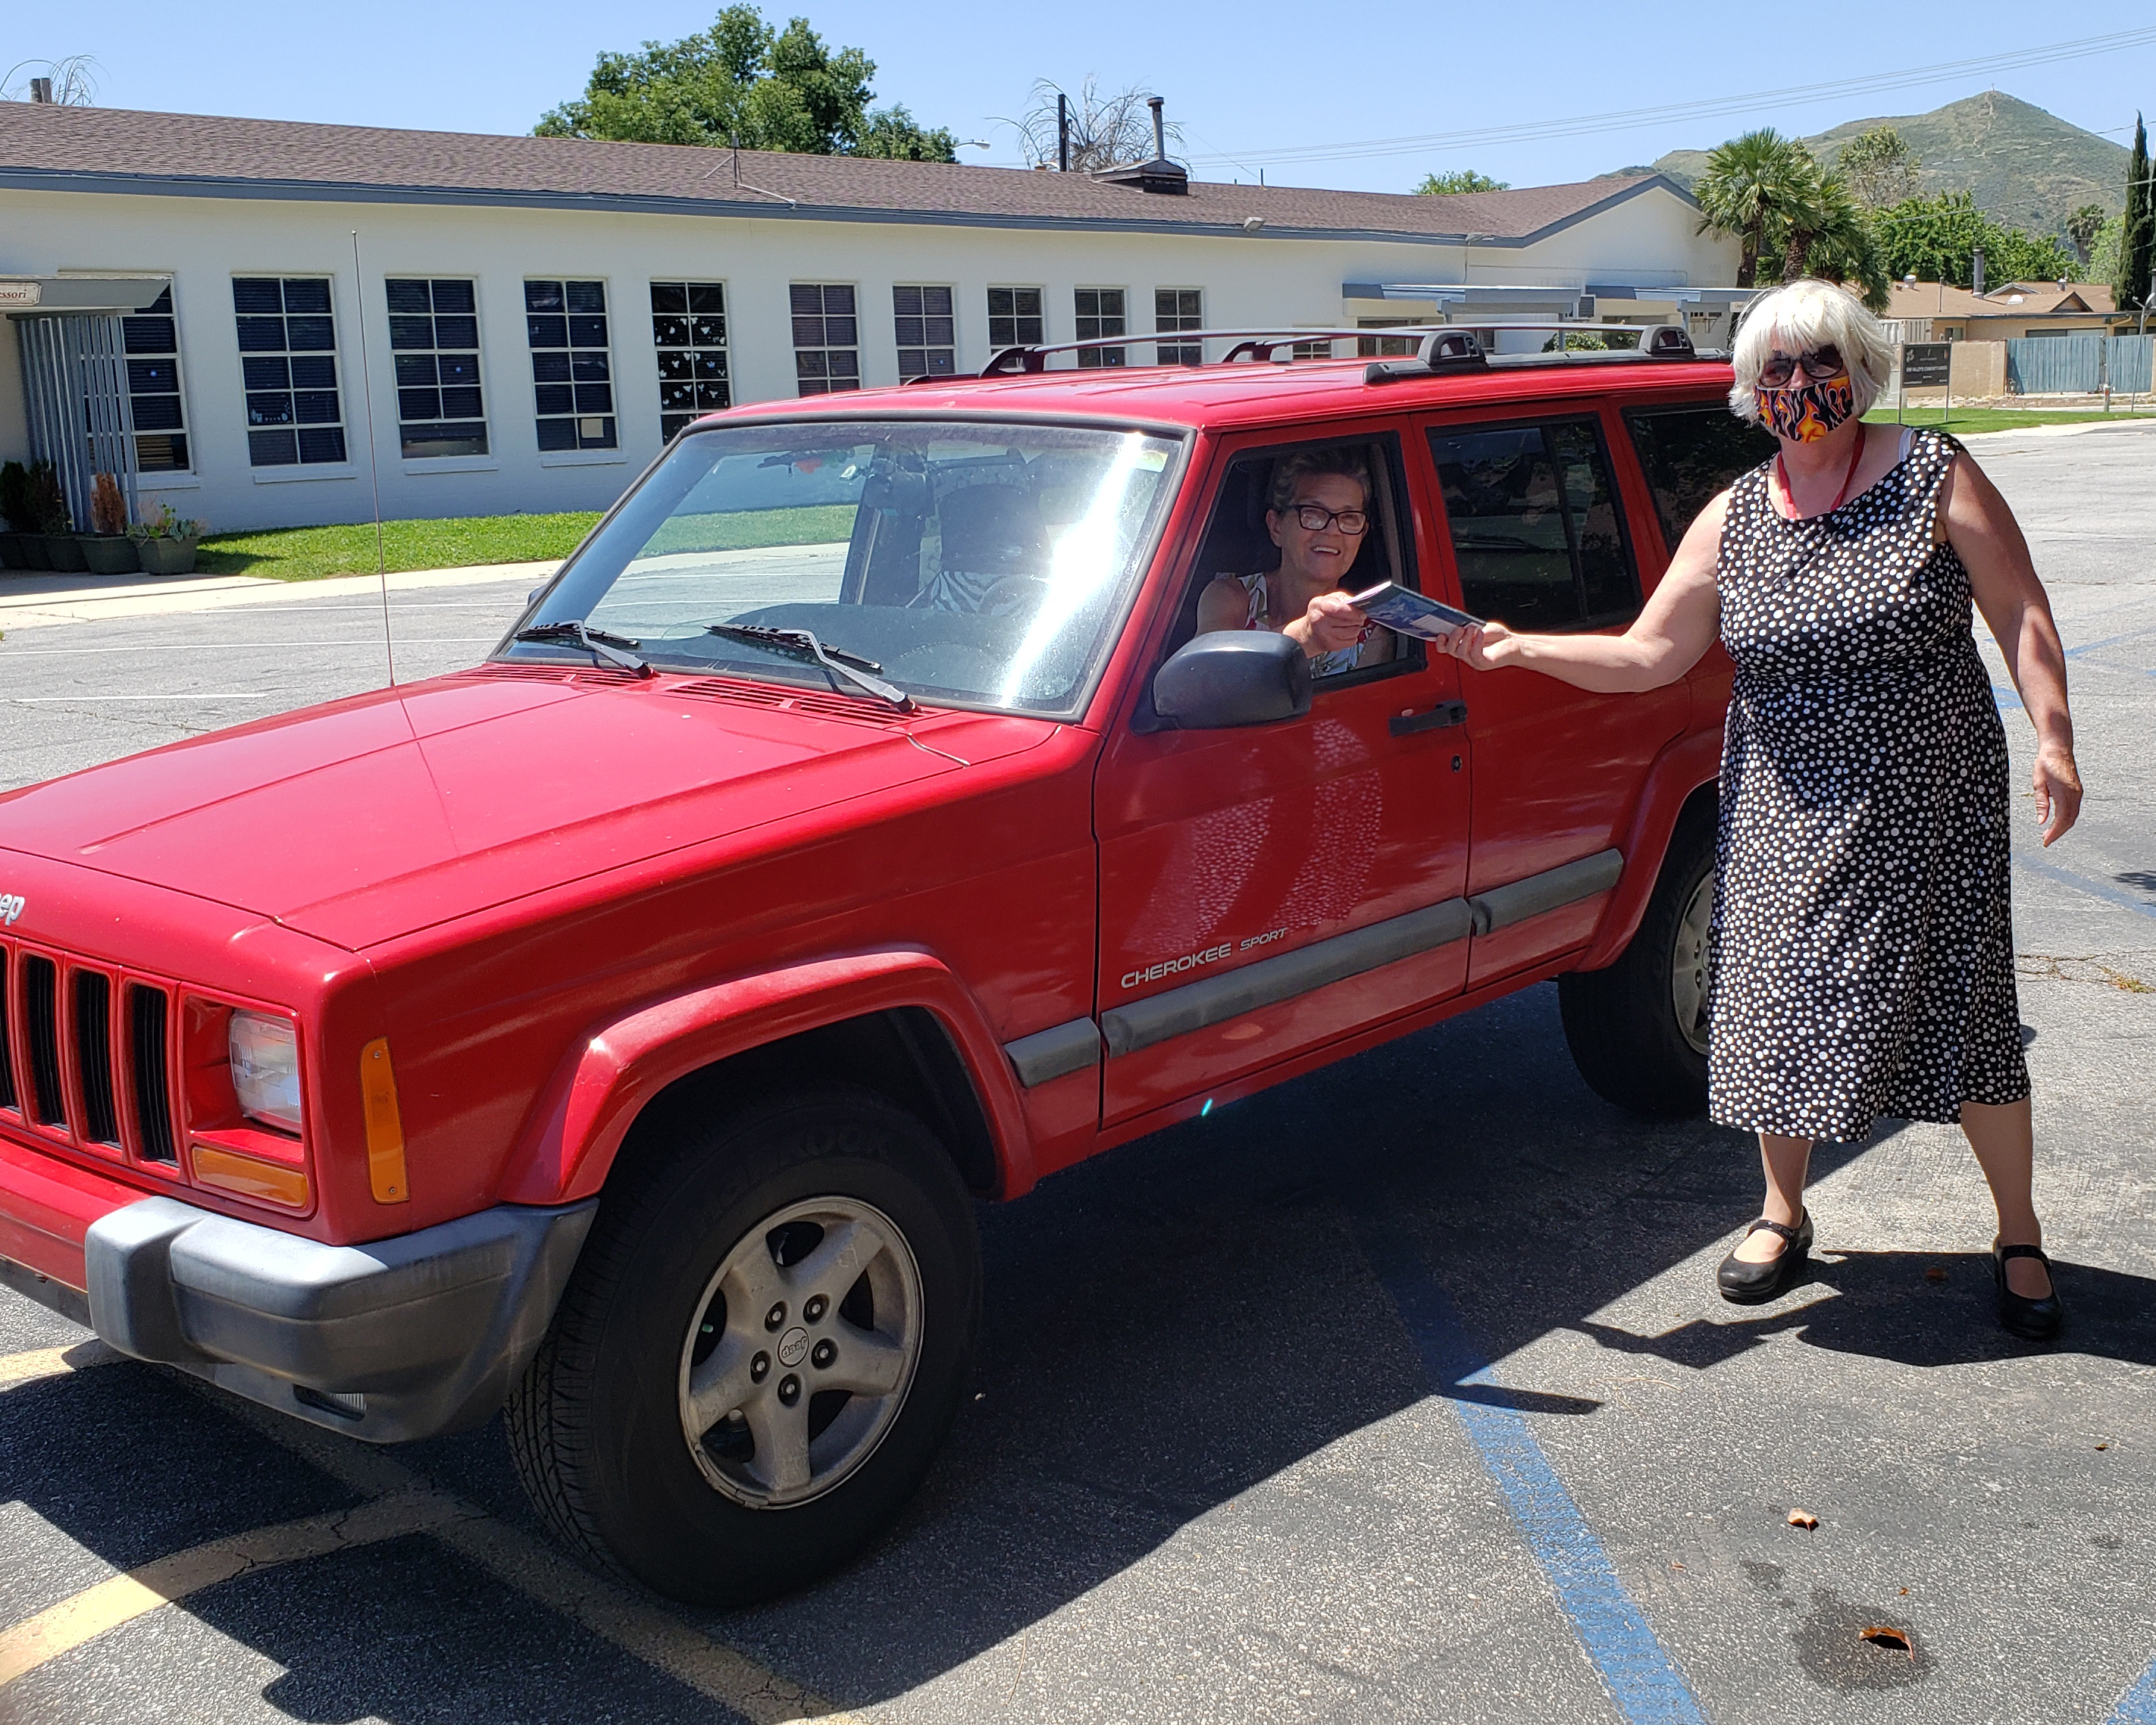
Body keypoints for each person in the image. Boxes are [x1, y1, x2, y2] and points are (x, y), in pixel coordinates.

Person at [1428, 279, 2082, 1340]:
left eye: (1820, 361)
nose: (1799, 385)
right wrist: (1516, 647)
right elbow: (1653, 653)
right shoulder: (1735, 513)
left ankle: (2017, 1231)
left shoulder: (1933, 472)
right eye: (1775, 368)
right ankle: (1781, 1212)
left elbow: (2021, 612)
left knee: (1961, 1007)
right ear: (1751, 388)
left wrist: (2053, 737)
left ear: (1860, 368)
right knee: (1776, 1005)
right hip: (1781, 801)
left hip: (1928, 800)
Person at [1196, 448, 1394, 674]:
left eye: (1349, 518)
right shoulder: (1230, 599)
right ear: (1276, 526)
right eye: (1313, 513)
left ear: (1362, 533)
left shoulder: (1369, 635)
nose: (1332, 530)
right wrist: (1306, 636)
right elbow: (1203, 677)